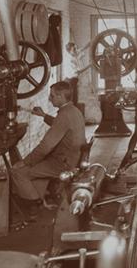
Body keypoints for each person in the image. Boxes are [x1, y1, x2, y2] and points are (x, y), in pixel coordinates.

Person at [11, 80, 86, 219]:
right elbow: (61, 125)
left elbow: (45, 146)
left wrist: (25, 162)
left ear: (61, 96)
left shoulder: (63, 115)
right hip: (74, 158)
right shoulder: (74, 111)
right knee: (38, 162)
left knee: (18, 172)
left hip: (64, 164)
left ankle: (35, 205)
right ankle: (39, 197)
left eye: (52, 96)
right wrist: (44, 116)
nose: (49, 99)